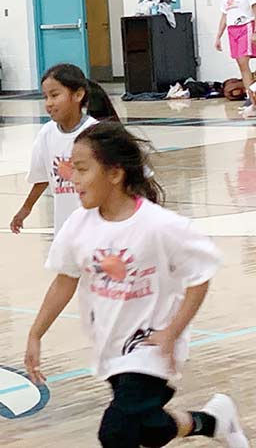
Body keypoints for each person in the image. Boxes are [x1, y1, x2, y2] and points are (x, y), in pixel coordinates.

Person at [25, 122, 248, 448]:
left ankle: (214, 419)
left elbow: (200, 276)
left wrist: (172, 332)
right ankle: (213, 420)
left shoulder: (158, 226)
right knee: (147, 429)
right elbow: (64, 280)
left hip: (151, 346)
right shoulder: (78, 226)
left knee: (115, 433)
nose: (73, 178)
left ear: (114, 174)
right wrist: (35, 333)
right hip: (111, 346)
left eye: (83, 170)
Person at [11, 64, 118, 235]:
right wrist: (26, 209)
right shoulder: (46, 133)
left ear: (78, 94)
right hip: (65, 231)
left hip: (98, 231)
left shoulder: (98, 133)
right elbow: (42, 177)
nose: (49, 103)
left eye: (54, 95)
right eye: (45, 97)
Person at [214, 0, 256, 117]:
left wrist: (255, 31)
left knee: (244, 63)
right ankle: (251, 100)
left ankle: (252, 101)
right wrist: (218, 36)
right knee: (241, 65)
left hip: (246, 26)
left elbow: (254, 9)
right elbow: (224, 16)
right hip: (233, 30)